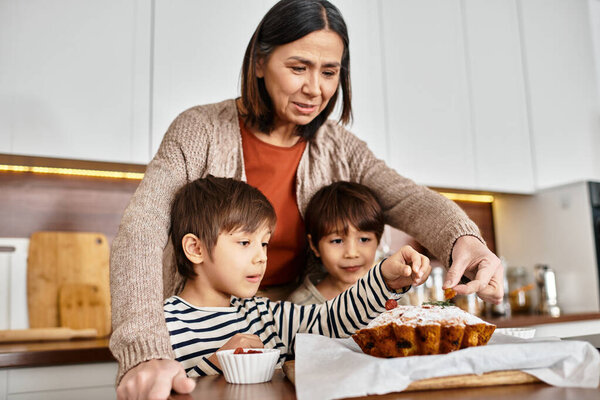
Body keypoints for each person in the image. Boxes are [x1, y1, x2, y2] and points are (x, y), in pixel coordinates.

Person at [110, 0, 503, 398]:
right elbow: (143, 228)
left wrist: (463, 239)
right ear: (259, 62)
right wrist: (145, 351)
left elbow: (408, 199)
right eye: (298, 68)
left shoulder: (340, 148)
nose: (315, 88)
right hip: (209, 325)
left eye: (329, 72)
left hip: (289, 325)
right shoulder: (199, 130)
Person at [164, 176, 431, 376]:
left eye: (264, 244)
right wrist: (215, 364)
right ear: (196, 249)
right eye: (245, 243)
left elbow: (330, 320)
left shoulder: (265, 315)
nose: (261, 257)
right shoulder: (161, 326)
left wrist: (383, 279)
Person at [287, 181, 386, 304]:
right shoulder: (298, 309)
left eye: (364, 239)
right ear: (314, 246)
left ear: (378, 240)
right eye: (337, 241)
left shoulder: (393, 294)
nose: (351, 253)